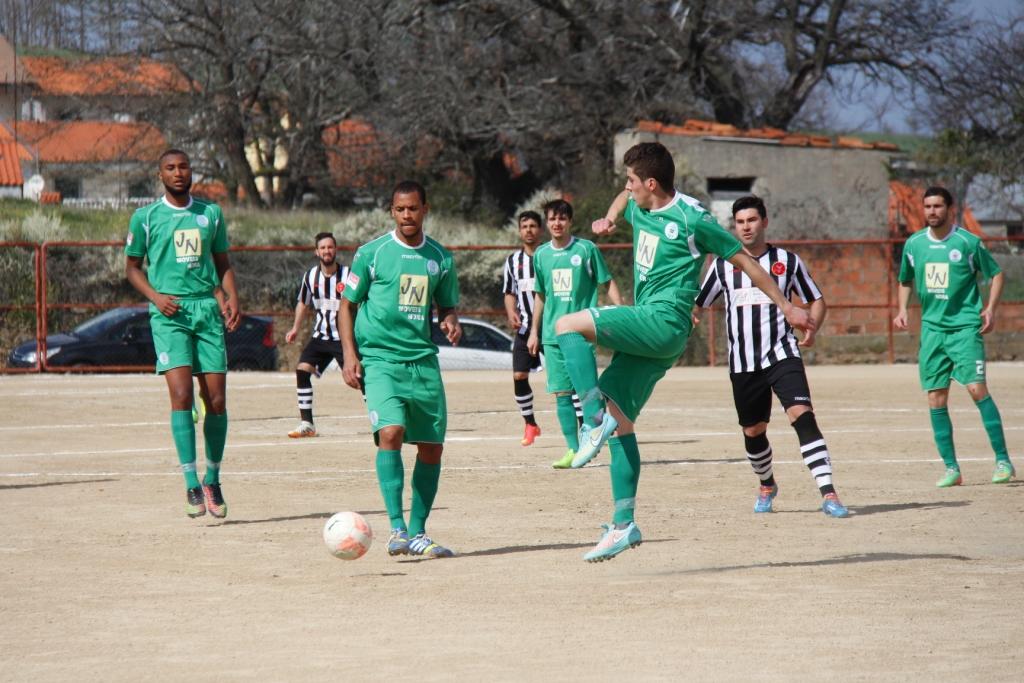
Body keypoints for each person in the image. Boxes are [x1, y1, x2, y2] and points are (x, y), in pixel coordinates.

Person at [556, 141, 814, 562]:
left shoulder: (693, 219)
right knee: (623, 425)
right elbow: (623, 197)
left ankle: (590, 419)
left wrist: (786, 306)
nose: (627, 188)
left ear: (651, 184)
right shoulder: (639, 204)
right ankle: (624, 526)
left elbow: (746, 263)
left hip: (664, 321)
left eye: (632, 182)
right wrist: (611, 215)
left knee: (566, 325)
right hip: (657, 336)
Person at [695, 196, 848, 517]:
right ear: (734, 227)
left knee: (802, 415)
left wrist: (812, 328)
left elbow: (816, 299)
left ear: (764, 222)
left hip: (782, 354)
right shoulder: (723, 264)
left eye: (752, 220)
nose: (746, 227)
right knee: (753, 431)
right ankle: (766, 483)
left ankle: (829, 493)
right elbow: (699, 302)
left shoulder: (787, 262)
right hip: (743, 363)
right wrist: (685, 317)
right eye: (740, 222)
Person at [339, 180, 462, 559]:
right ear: (392, 212)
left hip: (423, 362)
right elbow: (346, 306)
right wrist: (349, 355)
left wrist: (451, 321)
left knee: (432, 447)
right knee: (390, 432)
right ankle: (396, 529)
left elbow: (447, 306)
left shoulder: (440, 259)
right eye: (400, 209)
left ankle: (418, 532)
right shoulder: (371, 253)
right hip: (380, 360)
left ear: (425, 208)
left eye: (413, 208)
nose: (407, 215)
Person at [125, 148, 240, 519]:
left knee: (217, 400)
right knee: (180, 393)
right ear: (160, 175)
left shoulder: (210, 213)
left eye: (183, 166)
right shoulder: (146, 218)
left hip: (206, 310)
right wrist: (156, 298)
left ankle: (213, 478)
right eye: (170, 168)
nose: (178, 173)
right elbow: (132, 269)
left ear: (192, 171)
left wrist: (231, 297)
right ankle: (190, 481)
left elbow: (223, 263)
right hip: (169, 314)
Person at [894, 186, 1014, 486]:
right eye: (928, 206)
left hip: (964, 329)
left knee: (976, 389)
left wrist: (990, 308)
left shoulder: (968, 242)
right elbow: (905, 279)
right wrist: (902, 309)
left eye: (938, 206)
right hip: (932, 331)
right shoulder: (914, 244)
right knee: (936, 398)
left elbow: (997, 273)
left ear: (950, 209)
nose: (932, 211)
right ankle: (951, 469)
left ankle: (1003, 461)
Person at [528, 199, 622, 468]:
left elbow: (606, 281)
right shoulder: (541, 255)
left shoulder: (586, 249)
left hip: (581, 332)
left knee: (587, 390)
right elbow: (540, 295)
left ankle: (596, 435)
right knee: (560, 393)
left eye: (562, 218)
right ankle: (572, 449)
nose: (557, 223)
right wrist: (533, 331)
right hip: (551, 335)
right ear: (547, 223)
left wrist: (622, 312)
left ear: (570, 221)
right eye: (552, 219)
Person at [284, 232, 351, 438]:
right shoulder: (310, 276)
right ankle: (307, 424)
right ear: (317, 252)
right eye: (323, 248)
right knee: (302, 371)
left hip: (344, 339)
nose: (327, 251)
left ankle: (382, 420)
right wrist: (295, 328)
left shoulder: (348, 274)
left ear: (336, 249)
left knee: (359, 379)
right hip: (321, 337)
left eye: (330, 247)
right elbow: (303, 303)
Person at [502, 211, 545, 446]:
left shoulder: (549, 256)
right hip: (525, 328)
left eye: (532, 226)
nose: (528, 230)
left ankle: (584, 426)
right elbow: (509, 292)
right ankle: (530, 424)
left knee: (567, 380)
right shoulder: (512, 262)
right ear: (519, 231)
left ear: (540, 230)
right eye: (524, 226)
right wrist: (511, 313)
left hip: (551, 327)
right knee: (519, 376)